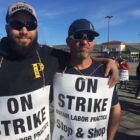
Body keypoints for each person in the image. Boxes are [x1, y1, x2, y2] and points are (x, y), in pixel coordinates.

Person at [0, 2, 118, 139]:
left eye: (30, 25)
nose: (24, 31)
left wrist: (107, 61)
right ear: (7, 28)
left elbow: (80, 56)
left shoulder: (49, 56)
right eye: (16, 24)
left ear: (36, 29)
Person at [52, 19, 121, 140]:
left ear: (93, 43)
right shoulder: (57, 69)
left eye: (90, 37)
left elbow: (115, 107)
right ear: (68, 41)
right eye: (78, 36)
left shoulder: (105, 71)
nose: (84, 41)